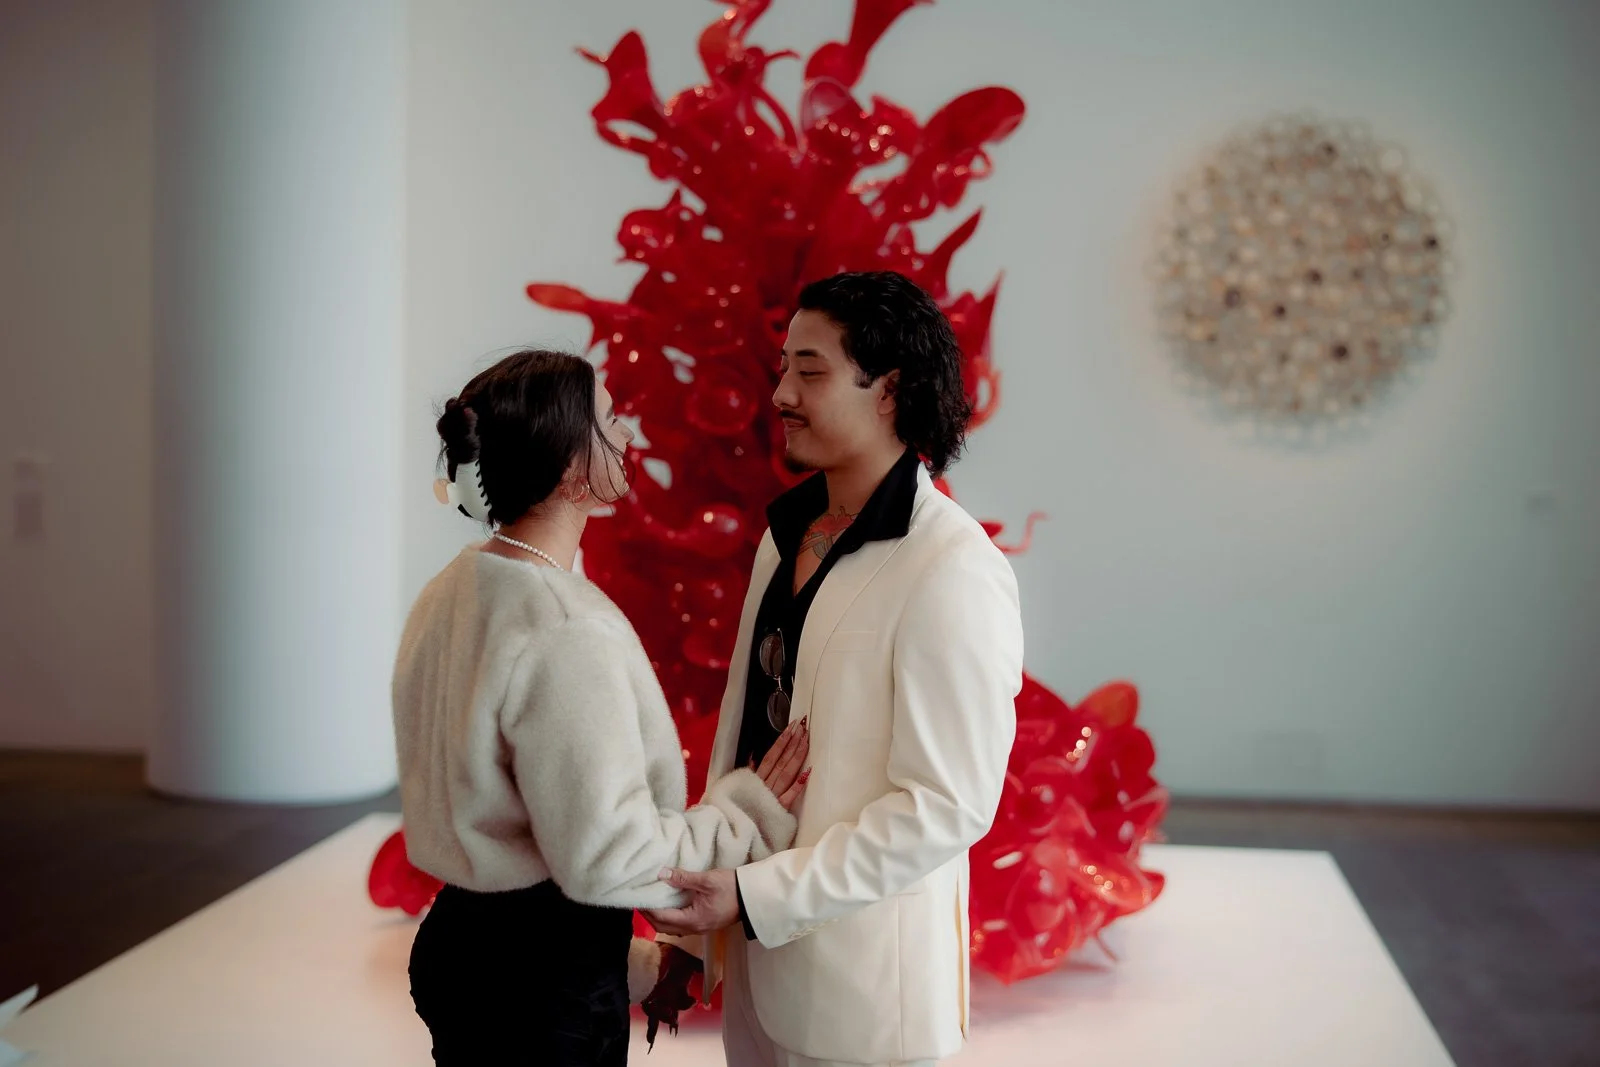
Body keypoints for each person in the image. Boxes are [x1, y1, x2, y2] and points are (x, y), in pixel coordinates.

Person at [646, 272, 1026, 1067]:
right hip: (754, 966)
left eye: (809, 371)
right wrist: (715, 914)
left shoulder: (952, 567)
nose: (781, 391)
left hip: (865, 1001)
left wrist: (754, 898)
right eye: (784, 366)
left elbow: (946, 806)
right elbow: (745, 736)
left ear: (889, 389)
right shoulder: (784, 532)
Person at [392, 348, 810, 1066]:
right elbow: (605, 857)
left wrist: (630, 963)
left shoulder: (454, 587)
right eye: (610, 419)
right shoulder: (563, 627)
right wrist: (741, 817)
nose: (627, 436)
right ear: (569, 471)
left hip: (460, 944)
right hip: (540, 985)